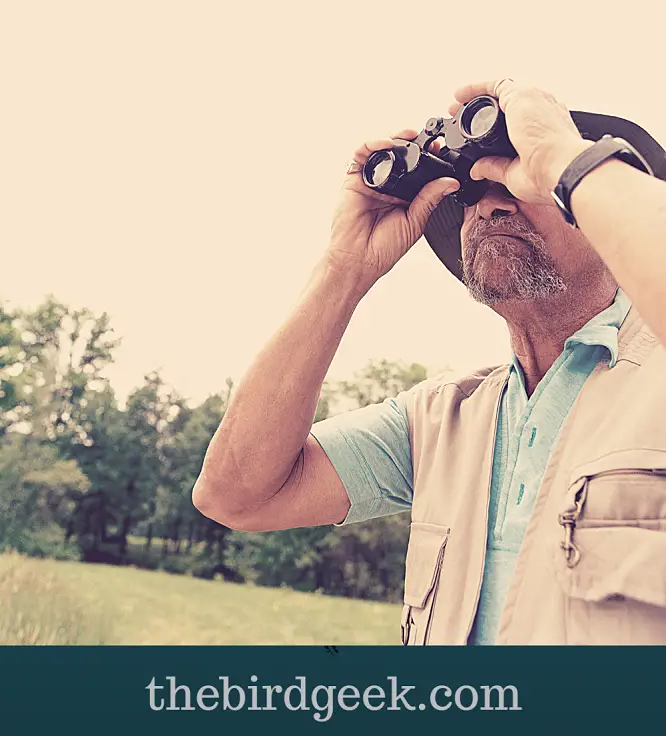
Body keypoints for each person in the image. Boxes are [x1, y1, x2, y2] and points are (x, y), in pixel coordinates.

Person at [193, 79, 666, 645]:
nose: (489, 202)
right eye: (468, 194)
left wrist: (559, 157)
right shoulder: (442, 420)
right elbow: (237, 493)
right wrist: (344, 269)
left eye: (522, 183)